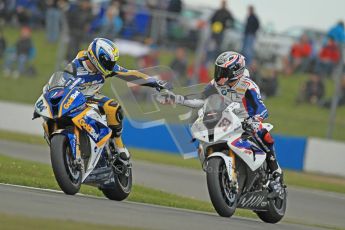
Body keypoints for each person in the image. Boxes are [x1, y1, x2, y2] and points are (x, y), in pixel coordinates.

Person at [158, 51, 283, 194]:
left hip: (247, 120)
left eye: (223, 71)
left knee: (263, 133)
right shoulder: (215, 84)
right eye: (218, 69)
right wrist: (178, 99)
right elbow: (201, 100)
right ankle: (219, 171)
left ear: (235, 71)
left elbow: (261, 108)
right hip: (227, 119)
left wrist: (255, 120)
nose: (219, 74)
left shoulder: (248, 85)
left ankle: (275, 172)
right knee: (204, 138)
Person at [63, 38, 170, 160]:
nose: (111, 66)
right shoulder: (75, 66)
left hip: (92, 96)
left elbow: (131, 75)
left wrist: (156, 83)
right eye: (108, 62)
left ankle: (119, 145)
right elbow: (60, 84)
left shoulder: (106, 67)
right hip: (74, 99)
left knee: (113, 107)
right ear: (96, 57)